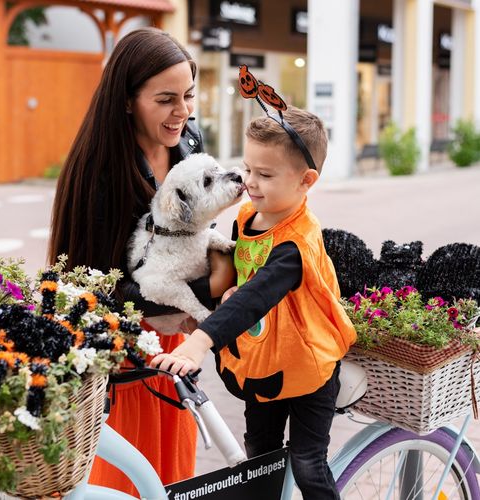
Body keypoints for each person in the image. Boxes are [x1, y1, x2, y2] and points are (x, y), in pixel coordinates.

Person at [48, 27, 234, 496]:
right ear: (128, 100)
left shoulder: (188, 140)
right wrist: (195, 300)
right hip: (122, 355)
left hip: (174, 348)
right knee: (127, 481)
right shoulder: (99, 173)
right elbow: (89, 285)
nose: (184, 112)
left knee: (174, 473)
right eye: (166, 99)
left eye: (189, 95)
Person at [151, 106, 357, 499]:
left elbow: (255, 296)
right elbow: (235, 277)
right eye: (248, 169)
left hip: (308, 365)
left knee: (308, 463)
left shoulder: (297, 243)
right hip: (266, 360)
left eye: (265, 175)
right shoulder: (248, 215)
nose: (250, 182)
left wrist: (199, 343)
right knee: (258, 458)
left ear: (306, 181)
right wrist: (202, 310)